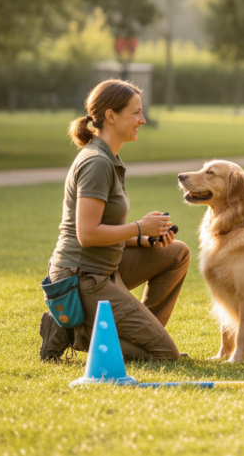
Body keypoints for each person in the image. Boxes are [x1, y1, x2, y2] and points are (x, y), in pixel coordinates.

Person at [39, 79, 190, 361]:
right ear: (111, 115)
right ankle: (74, 332)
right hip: (81, 278)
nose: (142, 120)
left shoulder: (110, 158)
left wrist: (143, 239)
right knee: (164, 354)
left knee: (176, 253)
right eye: (136, 113)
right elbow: (87, 234)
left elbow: (102, 228)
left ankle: (146, 331)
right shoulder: (96, 162)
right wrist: (138, 226)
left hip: (106, 269)